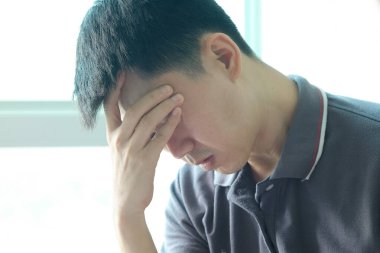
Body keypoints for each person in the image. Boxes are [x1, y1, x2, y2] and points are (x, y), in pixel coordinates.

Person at [74, 0, 380, 252]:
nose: (176, 150)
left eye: (164, 116)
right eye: (150, 131)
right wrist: (127, 217)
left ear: (223, 57)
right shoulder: (193, 195)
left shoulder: (372, 155)